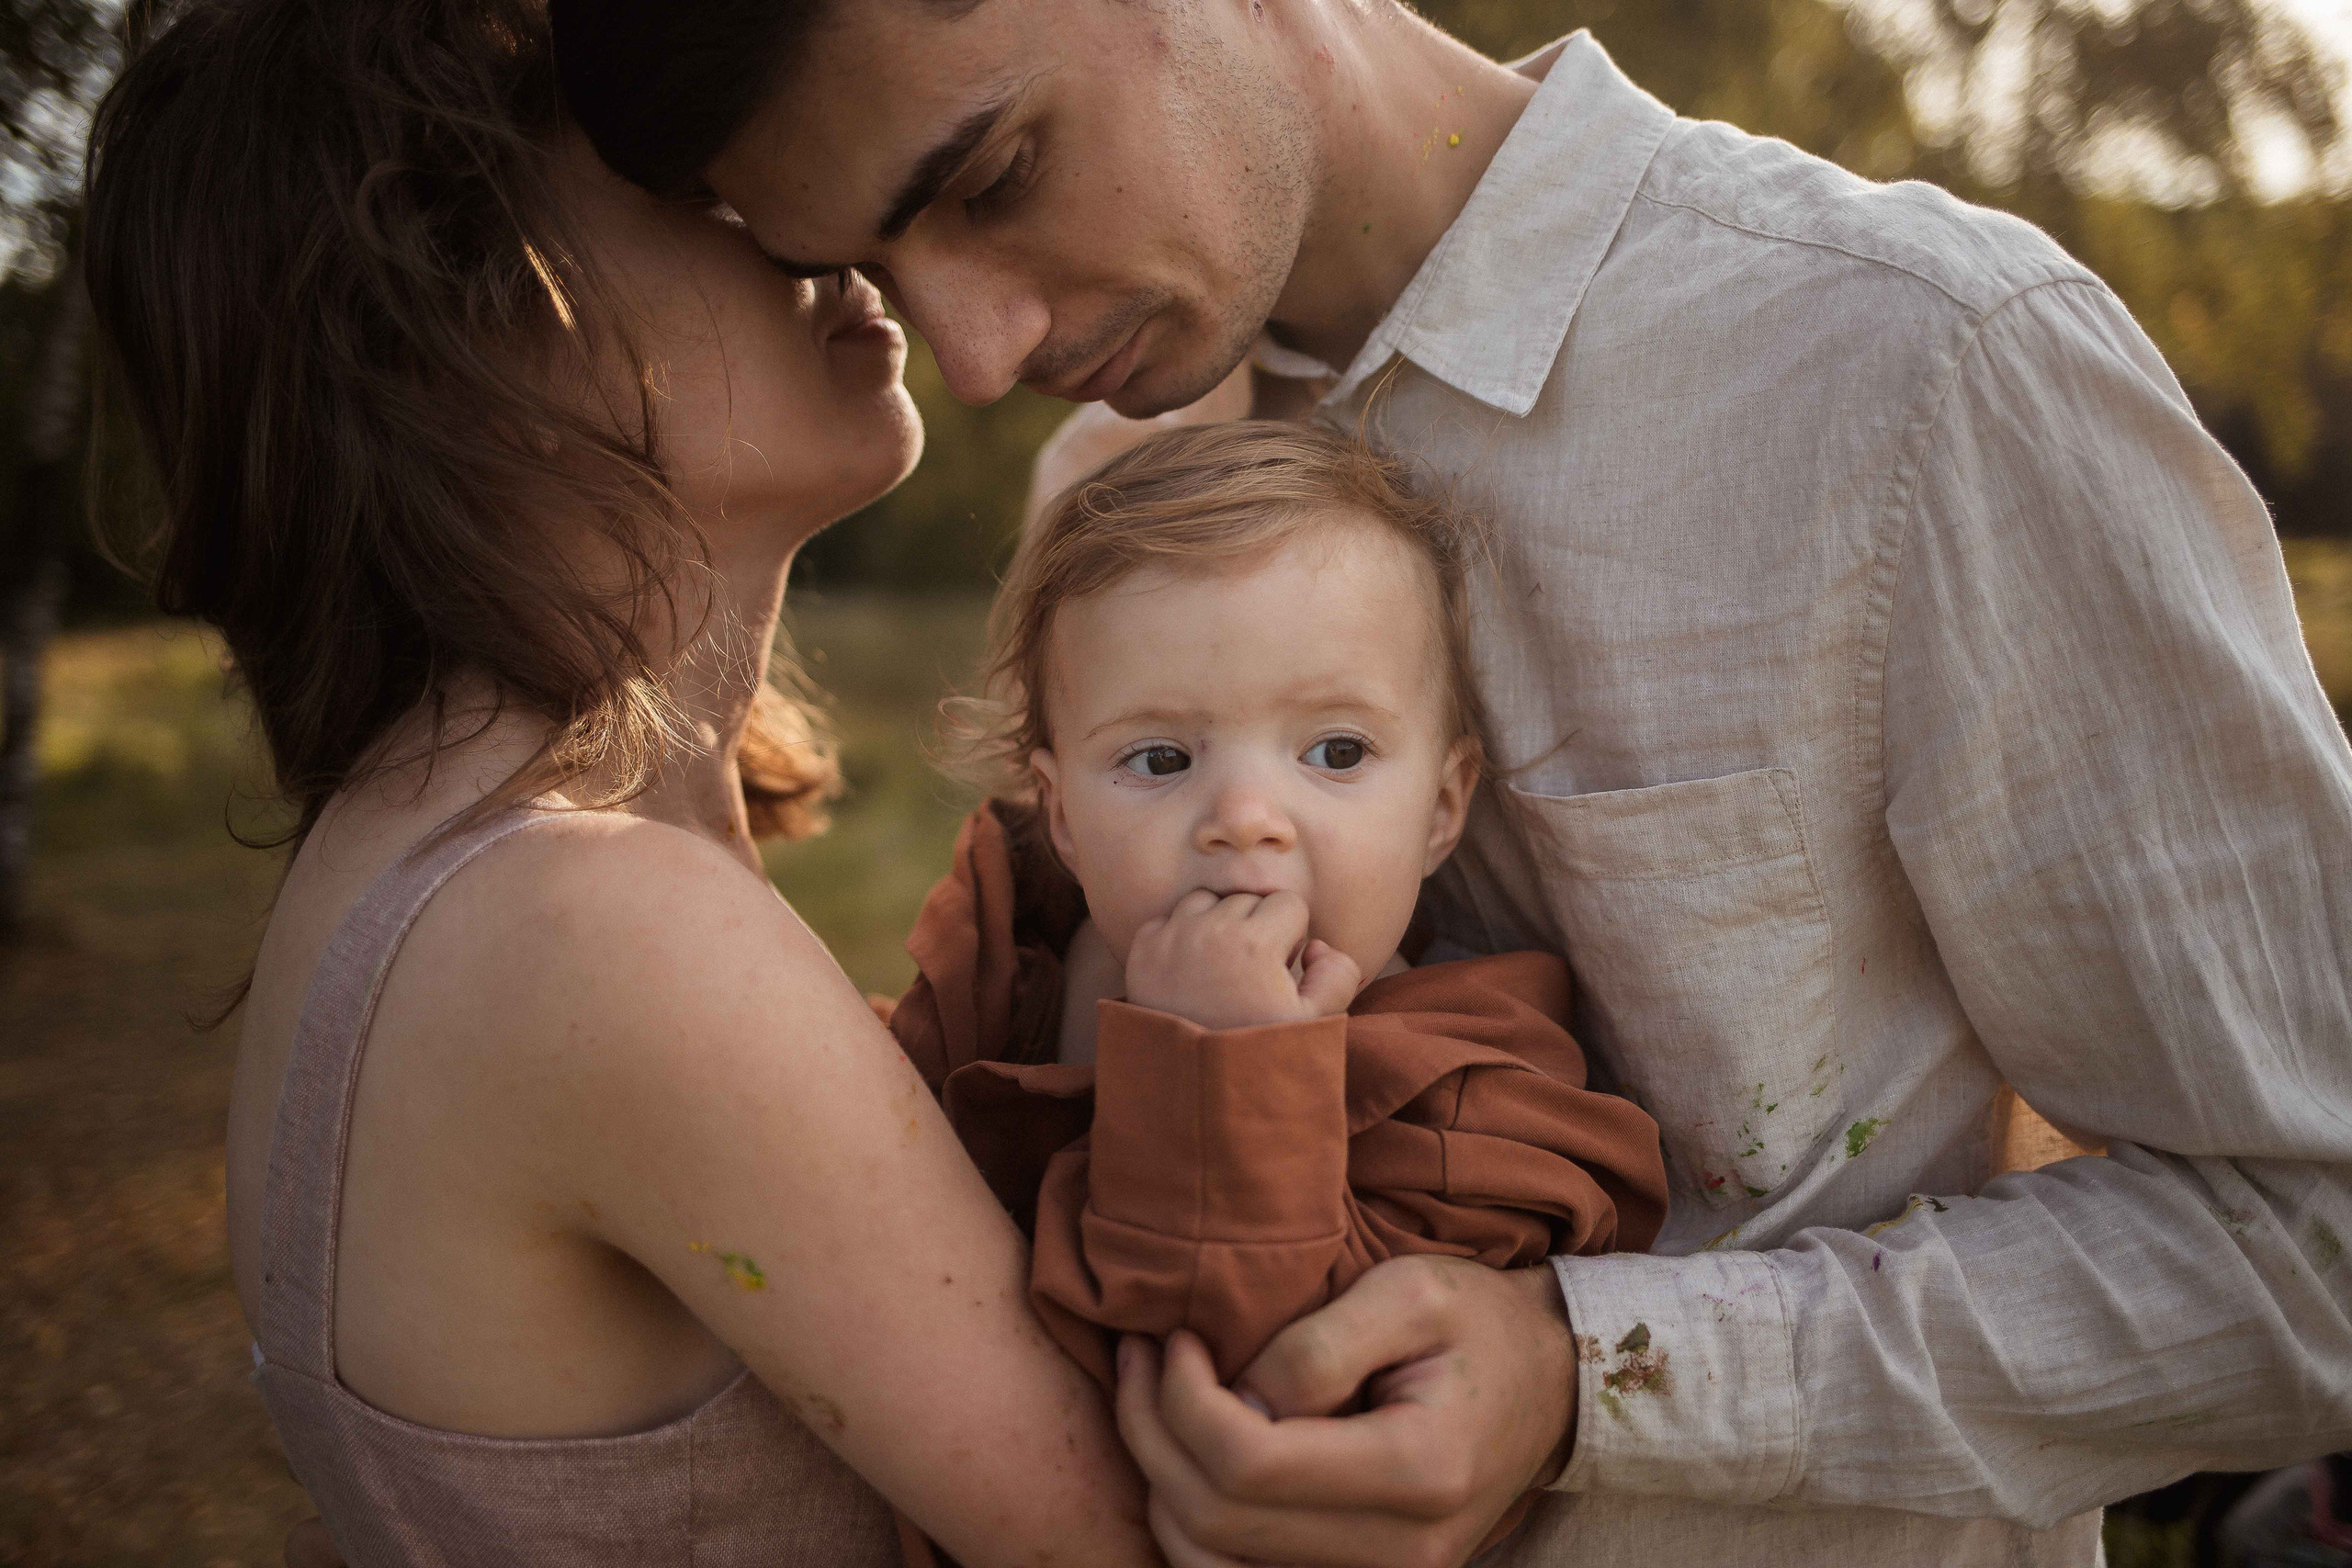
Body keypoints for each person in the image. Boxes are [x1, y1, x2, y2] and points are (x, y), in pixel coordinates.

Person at [553, 2, 2352, 1565]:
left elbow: (2312, 1239)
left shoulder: (1915, 367)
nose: (968, 354)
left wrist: (1599, 1376)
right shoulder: (1113, 482)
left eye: (995, 173)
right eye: (870, 270)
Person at [82, 2, 1167, 1563]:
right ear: (474, 310)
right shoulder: (583, 919)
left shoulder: (457, 862)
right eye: (701, 186)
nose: (821, 221)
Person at [886, 418, 1668, 1391]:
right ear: (1062, 817)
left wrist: (1224, 1075)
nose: (1246, 819)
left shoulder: (1468, 1104)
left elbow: (1267, 1387)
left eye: (1336, 753)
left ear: (1439, 809)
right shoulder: (999, 966)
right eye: (1161, 759)